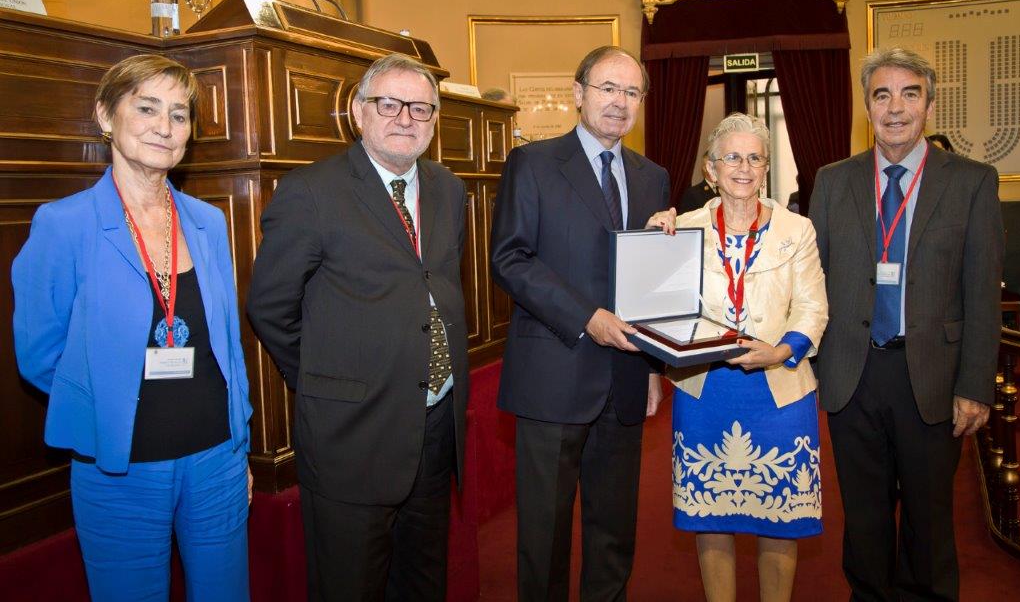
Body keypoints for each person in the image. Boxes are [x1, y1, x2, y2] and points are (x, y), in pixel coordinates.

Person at [12, 54, 253, 601]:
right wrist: (108, 400)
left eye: (179, 114)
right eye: (146, 109)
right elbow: (39, 354)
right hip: (119, 469)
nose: (164, 127)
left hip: (216, 461)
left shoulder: (209, 222)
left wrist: (240, 448)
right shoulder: (63, 224)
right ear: (105, 115)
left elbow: (228, 347)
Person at [246, 52, 468, 601]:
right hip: (352, 433)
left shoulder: (448, 188)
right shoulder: (311, 191)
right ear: (358, 111)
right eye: (389, 104)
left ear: (435, 119)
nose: (405, 118)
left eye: (420, 108)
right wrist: (327, 378)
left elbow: (434, 286)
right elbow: (270, 306)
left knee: (423, 582)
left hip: (435, 425)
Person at [809, 47, 1002, 601]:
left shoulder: (972, 182)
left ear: (929, 106)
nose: (895, 108)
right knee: (864, 519)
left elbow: (981, 293)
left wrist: (975, 385)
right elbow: (810, 279)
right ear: (867, 106)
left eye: (909, 94)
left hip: (934, 375)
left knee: (929, 518)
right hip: (853, 374)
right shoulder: (833, 181)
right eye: (882, 95)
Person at [490, 45, 670, 601]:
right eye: (607, 88)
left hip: (625, 378)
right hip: (553, 374)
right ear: (578, 94)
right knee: (543, 539)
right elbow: (510, 259)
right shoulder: (534, 163)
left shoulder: (653, 177)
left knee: (613, 533)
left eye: (631, 92)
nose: (619, 102)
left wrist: (653, 368)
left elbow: (652, 280)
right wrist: (586, 317)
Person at [647, 113, 828, 602]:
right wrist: (652, 243)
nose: (743, 168)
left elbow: (813, 308)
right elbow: (658, 307)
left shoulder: (798, 229)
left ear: (766, 168)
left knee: (781, 518)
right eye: (732, 157)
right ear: (710, 169)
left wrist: (781, 351)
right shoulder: (681, 229)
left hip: (780, 389)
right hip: (705, 390)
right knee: (711, 516)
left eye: (754, 158)